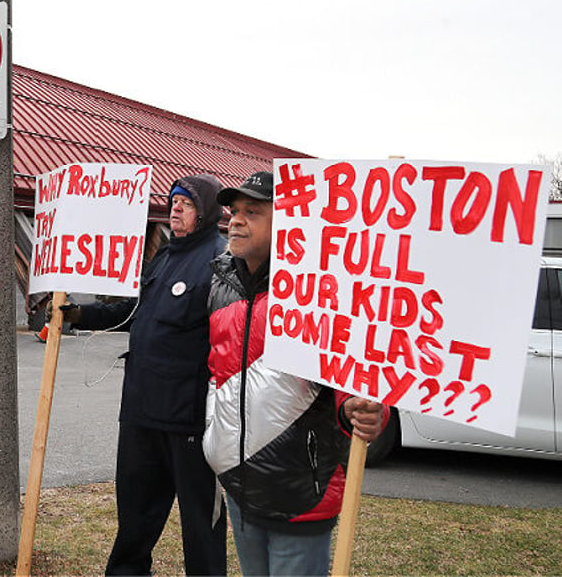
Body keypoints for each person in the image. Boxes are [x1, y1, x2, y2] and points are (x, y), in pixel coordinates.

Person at [202, 171, 388, 577]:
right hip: (238, 483)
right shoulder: (221, 282)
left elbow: (352, 375)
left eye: (253, 212)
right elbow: (217, 372)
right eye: (234, 211)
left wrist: (359, 411)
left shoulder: (319, 288)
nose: (236, 219)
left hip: (300, 490)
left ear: (288, 224)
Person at [60, 174, 228, 576]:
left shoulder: (221, 261)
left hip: (188, 421)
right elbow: (131, 313)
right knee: (134, 519)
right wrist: (81, 314)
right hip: (140, 414)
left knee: (201, 527)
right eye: (173, 202)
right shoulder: (163, 259)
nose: (176, 209)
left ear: (204, 212)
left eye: (185, 203)